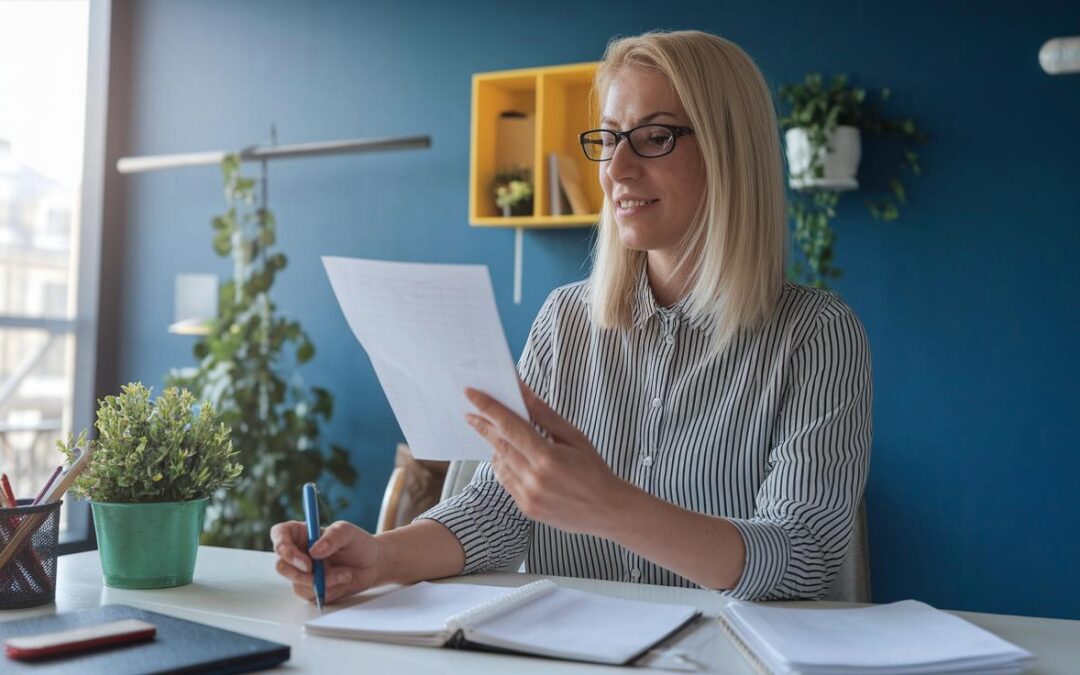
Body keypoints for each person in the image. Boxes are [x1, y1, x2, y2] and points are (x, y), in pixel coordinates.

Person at [271, 29, 871, 603]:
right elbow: (497, 511)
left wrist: (611, 507)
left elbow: (804, 556)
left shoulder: (816, 335)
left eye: (654, 137)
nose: (616, 169)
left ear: (729, 151)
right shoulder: (564, 320)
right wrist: (378, 557)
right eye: (609, 139)